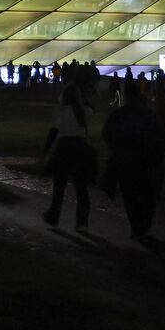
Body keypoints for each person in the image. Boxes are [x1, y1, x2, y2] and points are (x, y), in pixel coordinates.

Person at [101, 81, 165, 239]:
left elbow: (107, 133)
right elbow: (161, 136)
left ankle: (137, 227)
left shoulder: (119, 114)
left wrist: (116, 149)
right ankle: (144, 227)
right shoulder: (150, 115)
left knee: (130, 196)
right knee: (147, 195)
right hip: (148, 162)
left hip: (127, 162)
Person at [41, 84, 94, 231]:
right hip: (81, 148)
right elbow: (91, 108)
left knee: (60, 186)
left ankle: (54, 216)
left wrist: (46, 151)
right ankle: (82, 222)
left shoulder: (61, 111)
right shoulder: (84, 111)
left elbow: (53, 131)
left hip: (64, 147)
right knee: (81, 187)